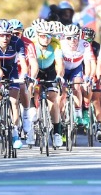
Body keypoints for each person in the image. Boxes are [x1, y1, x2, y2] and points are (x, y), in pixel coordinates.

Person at [0, 19, 27, 150]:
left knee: (14, 101)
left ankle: (15, 133)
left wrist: (24, 75)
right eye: (2, 35)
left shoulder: (17, 42)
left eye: (8, 35)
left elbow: (23, 63)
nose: (5, 38)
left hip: (12, 70)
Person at [33, 20, 64, 148]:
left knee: (53, 97)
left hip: (50, 70)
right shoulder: (32, 44)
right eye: (42, 36)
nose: (46, 39)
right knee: (32, 91)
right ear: (37, 35)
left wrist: (59, 76)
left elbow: (59, 63)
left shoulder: (55, 44)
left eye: (49, 36)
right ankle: (33, 119)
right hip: (36, 71)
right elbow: (31, 63)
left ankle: (57, 132)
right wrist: (32, 78)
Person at [59, 24, 94, 128]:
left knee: (77, 87)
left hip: (76, 68)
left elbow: (87, 63)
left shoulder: (85, 45)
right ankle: (61, 117)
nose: (72, 40)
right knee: (62, 94)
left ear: (79, 36)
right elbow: (59, 63)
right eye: (69, 38)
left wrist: (87, 76)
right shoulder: (61, 44)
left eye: (75, 37)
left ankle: (78, 114)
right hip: (63, 69)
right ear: (65, 37)